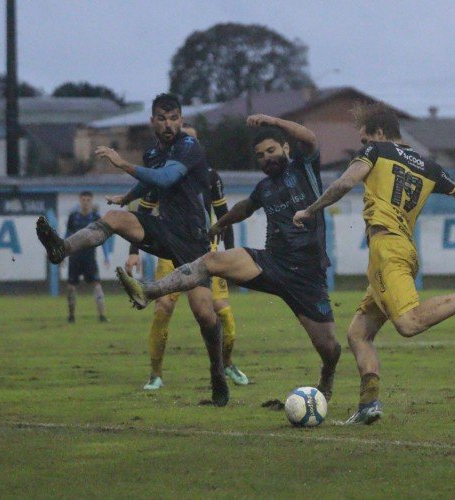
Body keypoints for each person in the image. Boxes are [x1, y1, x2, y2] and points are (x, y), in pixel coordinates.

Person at [292, 103, 455, 425]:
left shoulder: (377, 152)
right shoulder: (430, 167)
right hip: (400, 249)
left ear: (380, 133)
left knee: (409, 324)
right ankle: (368, 404)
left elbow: (344, 183)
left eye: (365, 139)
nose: (364, 145)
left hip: (388, 248)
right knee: (358, 333)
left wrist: (310, 210)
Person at [115, 115, 342, 400]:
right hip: (271, 263)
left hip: (308, 277)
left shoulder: (305, 167)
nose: (266, 159)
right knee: (210, 261)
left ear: (285, 148)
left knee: (330, 348)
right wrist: (220, 224)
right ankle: (148, 291)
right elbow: (246, 207)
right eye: (260, 156)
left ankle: (327, 377)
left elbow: (309, 137)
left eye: (271, 151)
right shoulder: (265, 188)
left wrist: (272, 120)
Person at [35, 93, 229, 406]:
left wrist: (123, 163)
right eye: (162, 118)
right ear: (152, 121)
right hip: (166, 230)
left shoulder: (189, 146)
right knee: (113, 218)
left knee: (205, 315)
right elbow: (149, 185)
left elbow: (166, 179)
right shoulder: (154, 152)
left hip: (193, 240)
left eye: (174, 118)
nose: (168, 124)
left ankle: (218, 378)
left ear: (181, 119)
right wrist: (127, 198)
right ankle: (62, 248)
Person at [125, 123, 247, 390]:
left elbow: (225, 215)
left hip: (206, 251)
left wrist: (230, 253)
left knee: (223, 313)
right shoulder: (164, 174)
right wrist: (133, 252)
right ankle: (155, 374)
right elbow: (143, 210)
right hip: (170, 250)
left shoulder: (211, 176)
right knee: (163, 310)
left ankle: (226, 364)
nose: (186, 147)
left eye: (191, 142)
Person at [64, 191, 109, 323]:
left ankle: (102, 316)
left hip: (90, 257)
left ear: (91, 201)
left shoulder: (96, 218)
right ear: (80, 200)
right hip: (75, 257)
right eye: (83, 200)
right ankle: (71, 316)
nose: (86, 202)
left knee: (97, 285)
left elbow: (102, 238)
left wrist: (106, 257)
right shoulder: (73, 217)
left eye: (88, 200)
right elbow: (67, 236)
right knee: (71, 286)